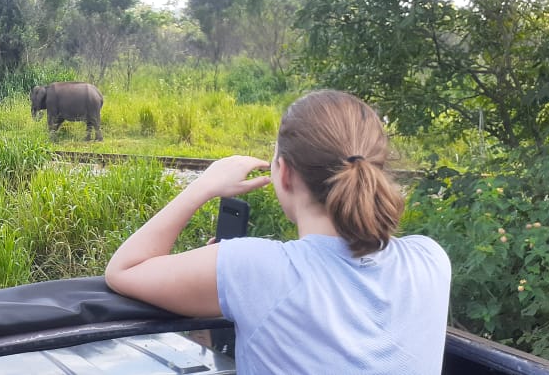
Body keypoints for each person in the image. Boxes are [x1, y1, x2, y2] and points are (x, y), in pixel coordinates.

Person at [104, 90, 452, 374]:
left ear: (284, 173)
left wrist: (204, 185)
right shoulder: (431, 259)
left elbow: (124, 269)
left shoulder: (253, 268)